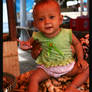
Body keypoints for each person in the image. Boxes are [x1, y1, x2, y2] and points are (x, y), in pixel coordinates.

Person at [17, 0, 89, 92]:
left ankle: (73, 86)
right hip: (47, 69)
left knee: (86, 69)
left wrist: (80, 59)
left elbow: (77, 44)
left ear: (60, 19)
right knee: (33, 78)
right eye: (41, 19)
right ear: (35, 24)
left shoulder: (67, 33)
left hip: (67, 67)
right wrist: (25, 46)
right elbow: (28, 45)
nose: (47, 22)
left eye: (51, 17)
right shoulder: (36, 36)